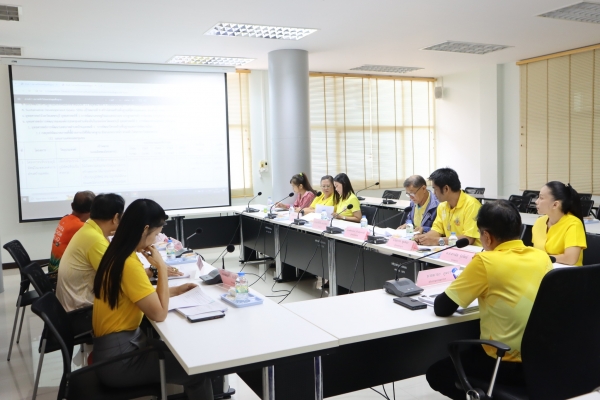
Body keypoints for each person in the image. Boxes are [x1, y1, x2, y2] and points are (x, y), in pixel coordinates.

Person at [426, 200, 553, 399]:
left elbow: (442, 307)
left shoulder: (485, 261)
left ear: (486, 236)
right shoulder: (541, 257)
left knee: (437, 372)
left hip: (504, 362)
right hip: (541, 362)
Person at [92, 199, 213, 399]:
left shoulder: (118, 253)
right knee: (198, 372)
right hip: (120, 361)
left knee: (186, 352)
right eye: (156, 234)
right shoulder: (129, 264)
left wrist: (175, 290)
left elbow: (138, 294)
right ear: (145, 229)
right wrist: (162, 268)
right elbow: (159, 314)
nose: (156, 240)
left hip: (116, 349)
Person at [56, 194, 182, 312]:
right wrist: (157, 270)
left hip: (74, 304)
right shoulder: (96, 241)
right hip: (82, 310)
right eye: (155, 235)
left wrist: (170, 290)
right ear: (116, 217)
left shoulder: (89, 230)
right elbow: (121, 279)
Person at [413, 168, 481, 246]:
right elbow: (437, 230)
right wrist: (423, 238)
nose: (434, 193)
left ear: (446, 189)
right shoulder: (442, 206)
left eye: (435, 189)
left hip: (472, 250)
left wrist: (437, 241)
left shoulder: (472, 205)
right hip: (452, 248)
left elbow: (469, 239)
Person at [532, 181, 587, 266]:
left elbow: (570, 259)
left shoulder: (573, 224)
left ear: (555, 205)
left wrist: (544, 258)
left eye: (541, 198)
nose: (536, 201)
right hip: (543, 269)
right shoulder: (539, 222)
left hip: (567, 272)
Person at [49, 190, 95, 272]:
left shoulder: (64, 219)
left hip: (53, 269)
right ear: (92, 211)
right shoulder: (80, 227)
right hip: (62, 273)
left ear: (72, 205)